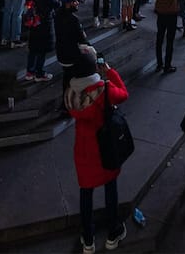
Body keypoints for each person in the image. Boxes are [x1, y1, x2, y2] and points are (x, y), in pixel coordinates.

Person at [65, 44, 129, 253]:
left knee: (86, 194)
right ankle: (113, 232)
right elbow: (124, 93)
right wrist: (109, 71)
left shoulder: (70, 95)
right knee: (111, 189)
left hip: (83, 150)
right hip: (105, 147)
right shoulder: (103, 89)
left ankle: (88, 238)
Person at [25, 0, 59, 82]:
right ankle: (39, 73)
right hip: (45, 24)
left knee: (33, 49)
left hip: (34, 23)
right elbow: (56, 3)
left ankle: (30, 72)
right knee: (42, 49)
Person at [152, 0, 185, 73]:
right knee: (170, 41)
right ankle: (167, 65)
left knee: (159, 39)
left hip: (161, 14)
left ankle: (159, 64)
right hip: (171, 15)